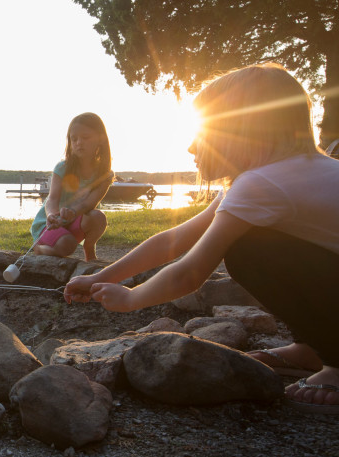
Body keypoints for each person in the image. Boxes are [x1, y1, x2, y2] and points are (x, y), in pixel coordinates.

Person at [64, 64, 339, 414]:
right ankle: (314, 348)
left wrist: (131, 299)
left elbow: (191, 272)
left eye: (204, 132)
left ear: (243, 131)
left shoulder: (262, 184)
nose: (192, 145)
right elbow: (174, 240)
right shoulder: (279, 176)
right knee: (257, 245)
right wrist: (99, 277)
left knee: (246, 250)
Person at [31, 112, 114, 261]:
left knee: (98, 217)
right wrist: (51, 215)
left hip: (74, 220)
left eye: (85, 137)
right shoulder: (62, 168)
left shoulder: (105, 175)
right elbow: (52, 198)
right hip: (49, 225)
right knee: (67, 245)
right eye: (74, 139)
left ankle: (89, 251)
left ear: (101, 139)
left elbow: (90, 203)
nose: (79, 142)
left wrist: (73, 212)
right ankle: (40, 248)